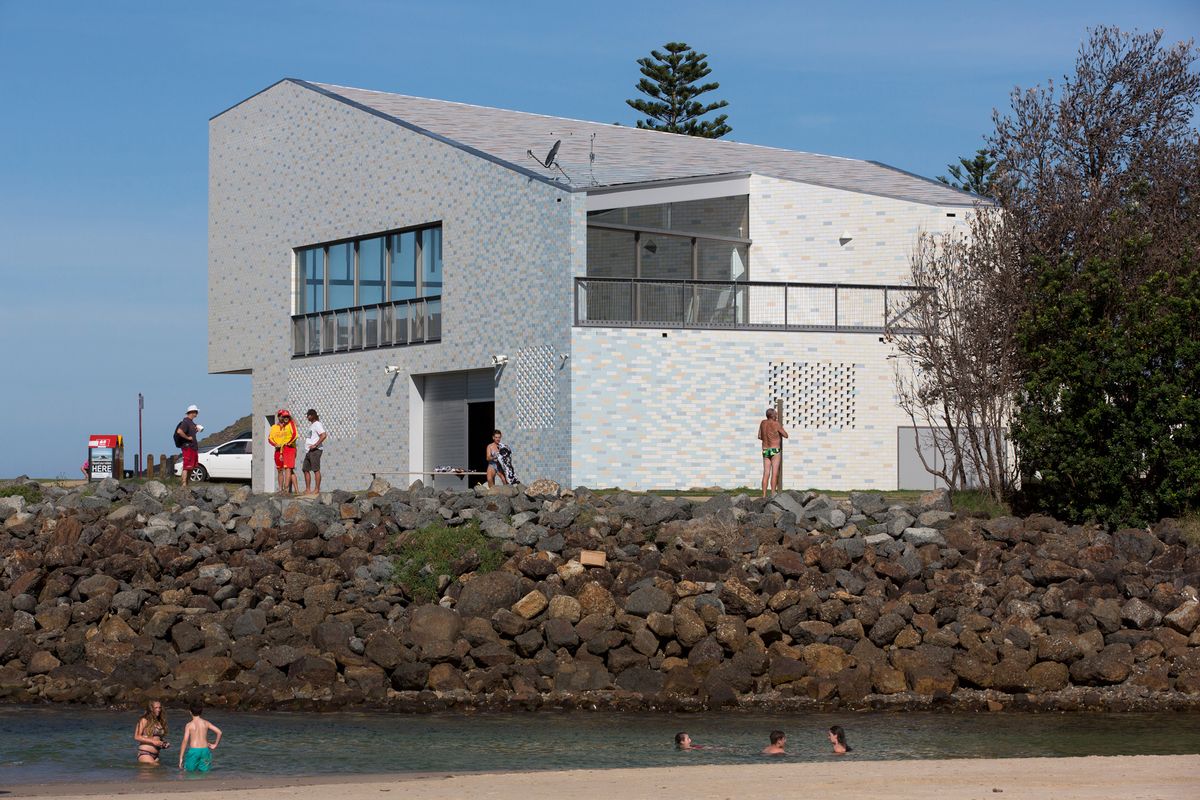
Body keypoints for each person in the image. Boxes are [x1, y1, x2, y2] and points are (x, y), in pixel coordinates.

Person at [178, 704, 221, 773]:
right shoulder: (206, 723)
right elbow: (219, 732)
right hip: (205, 750)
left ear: (190, 712)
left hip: (194, 751)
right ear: (201, 712)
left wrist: (181, 758)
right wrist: (215, 744)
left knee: (190, 772)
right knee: (204, 773)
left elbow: (185, 741)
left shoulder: (189, 725)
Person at [757, 408, 789, 497]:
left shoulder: (763, 423)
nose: (777, 416)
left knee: (766, 473)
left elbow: (759, 436)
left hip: (765, 449)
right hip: (775, 450)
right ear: (772, 415)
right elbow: (786, 435)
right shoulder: (776, 424)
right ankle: (772, 494)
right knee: (774, 473)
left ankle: (763, 495)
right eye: (776, 414)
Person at [269, 409, 299, 494]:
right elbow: (270, 438)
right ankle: (281, 489)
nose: (282, 417)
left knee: (289, 469)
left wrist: (289, 443)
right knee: (281, 470)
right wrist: (275, 444)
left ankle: (290, 489)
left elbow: (294, 434)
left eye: (284, 415)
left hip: (288, 449)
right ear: (278, 417)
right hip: (279, 451)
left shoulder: (289, 424)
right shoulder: (274, 427)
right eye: (281, 415)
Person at [134, 700, 170, 764]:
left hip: (156, 756)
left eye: (160, 707)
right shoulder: (144, 720)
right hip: (145, 753)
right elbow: (137, 736)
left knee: (159, 773)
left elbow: (157, 738)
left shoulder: (159, 721)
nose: (158, 710)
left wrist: (163, 744)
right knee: (155, 768)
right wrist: (153, 741)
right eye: (156, 708)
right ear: (151, 709)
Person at [301, 408, 327, 495]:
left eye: (308, 415)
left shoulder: (317, 424)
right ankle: (308, 489)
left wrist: (315, 445)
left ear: (312, 415)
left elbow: (323, 435)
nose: (307, 417)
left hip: (315, 450)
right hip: (309, 451)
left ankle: (317, 489)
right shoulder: (312, 426)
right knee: (305, 469)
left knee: (316, 470)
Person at [175, 405, 202, 487]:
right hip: (188, 447)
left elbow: (190, 434)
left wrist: (195, 431)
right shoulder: (186, 422)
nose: (197, 413)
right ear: (192, 412)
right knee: (187, 466)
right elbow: (179, 431)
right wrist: (188, 438)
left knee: (192, 466)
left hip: (192, 447)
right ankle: (184, 485)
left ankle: (186, 484)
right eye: (196, 412)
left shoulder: (191, 422)